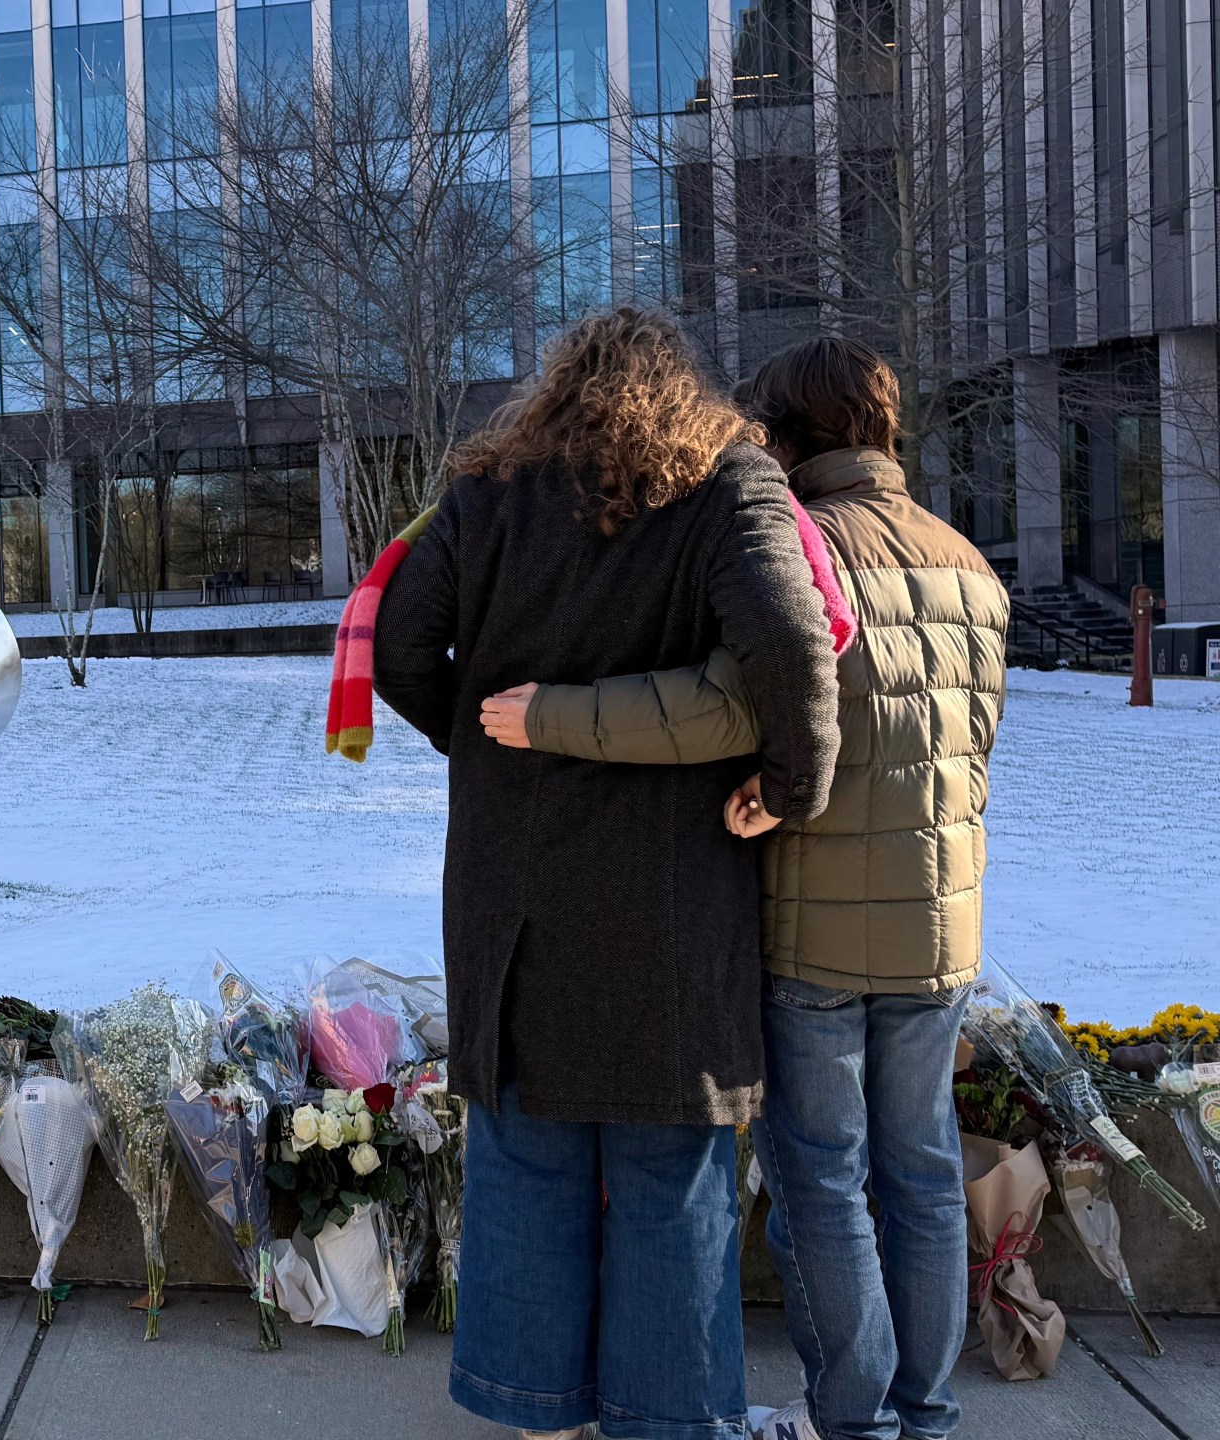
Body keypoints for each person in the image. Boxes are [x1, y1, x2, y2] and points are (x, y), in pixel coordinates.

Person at [478, 336, 1009, 1440]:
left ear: (783, 430)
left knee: (823, 1182)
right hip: (942, 930)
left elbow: (727, 705)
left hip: (812, 929)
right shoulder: (969, 560)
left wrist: (549, 717)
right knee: (917, 1175)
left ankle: (848, 1417)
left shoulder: (794, 544)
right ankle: (927, 1407)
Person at [375, 307, 842, 1440]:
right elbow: (791, 644)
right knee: (666, 1170)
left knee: (525, 1159)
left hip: (514, 893)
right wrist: (790, 783)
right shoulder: (730, 482)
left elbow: (396, 648)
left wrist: (480, 744)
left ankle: (537, 1413)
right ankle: (667, 1418)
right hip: (669, 887)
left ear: (555, 386)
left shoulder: (487, 490)